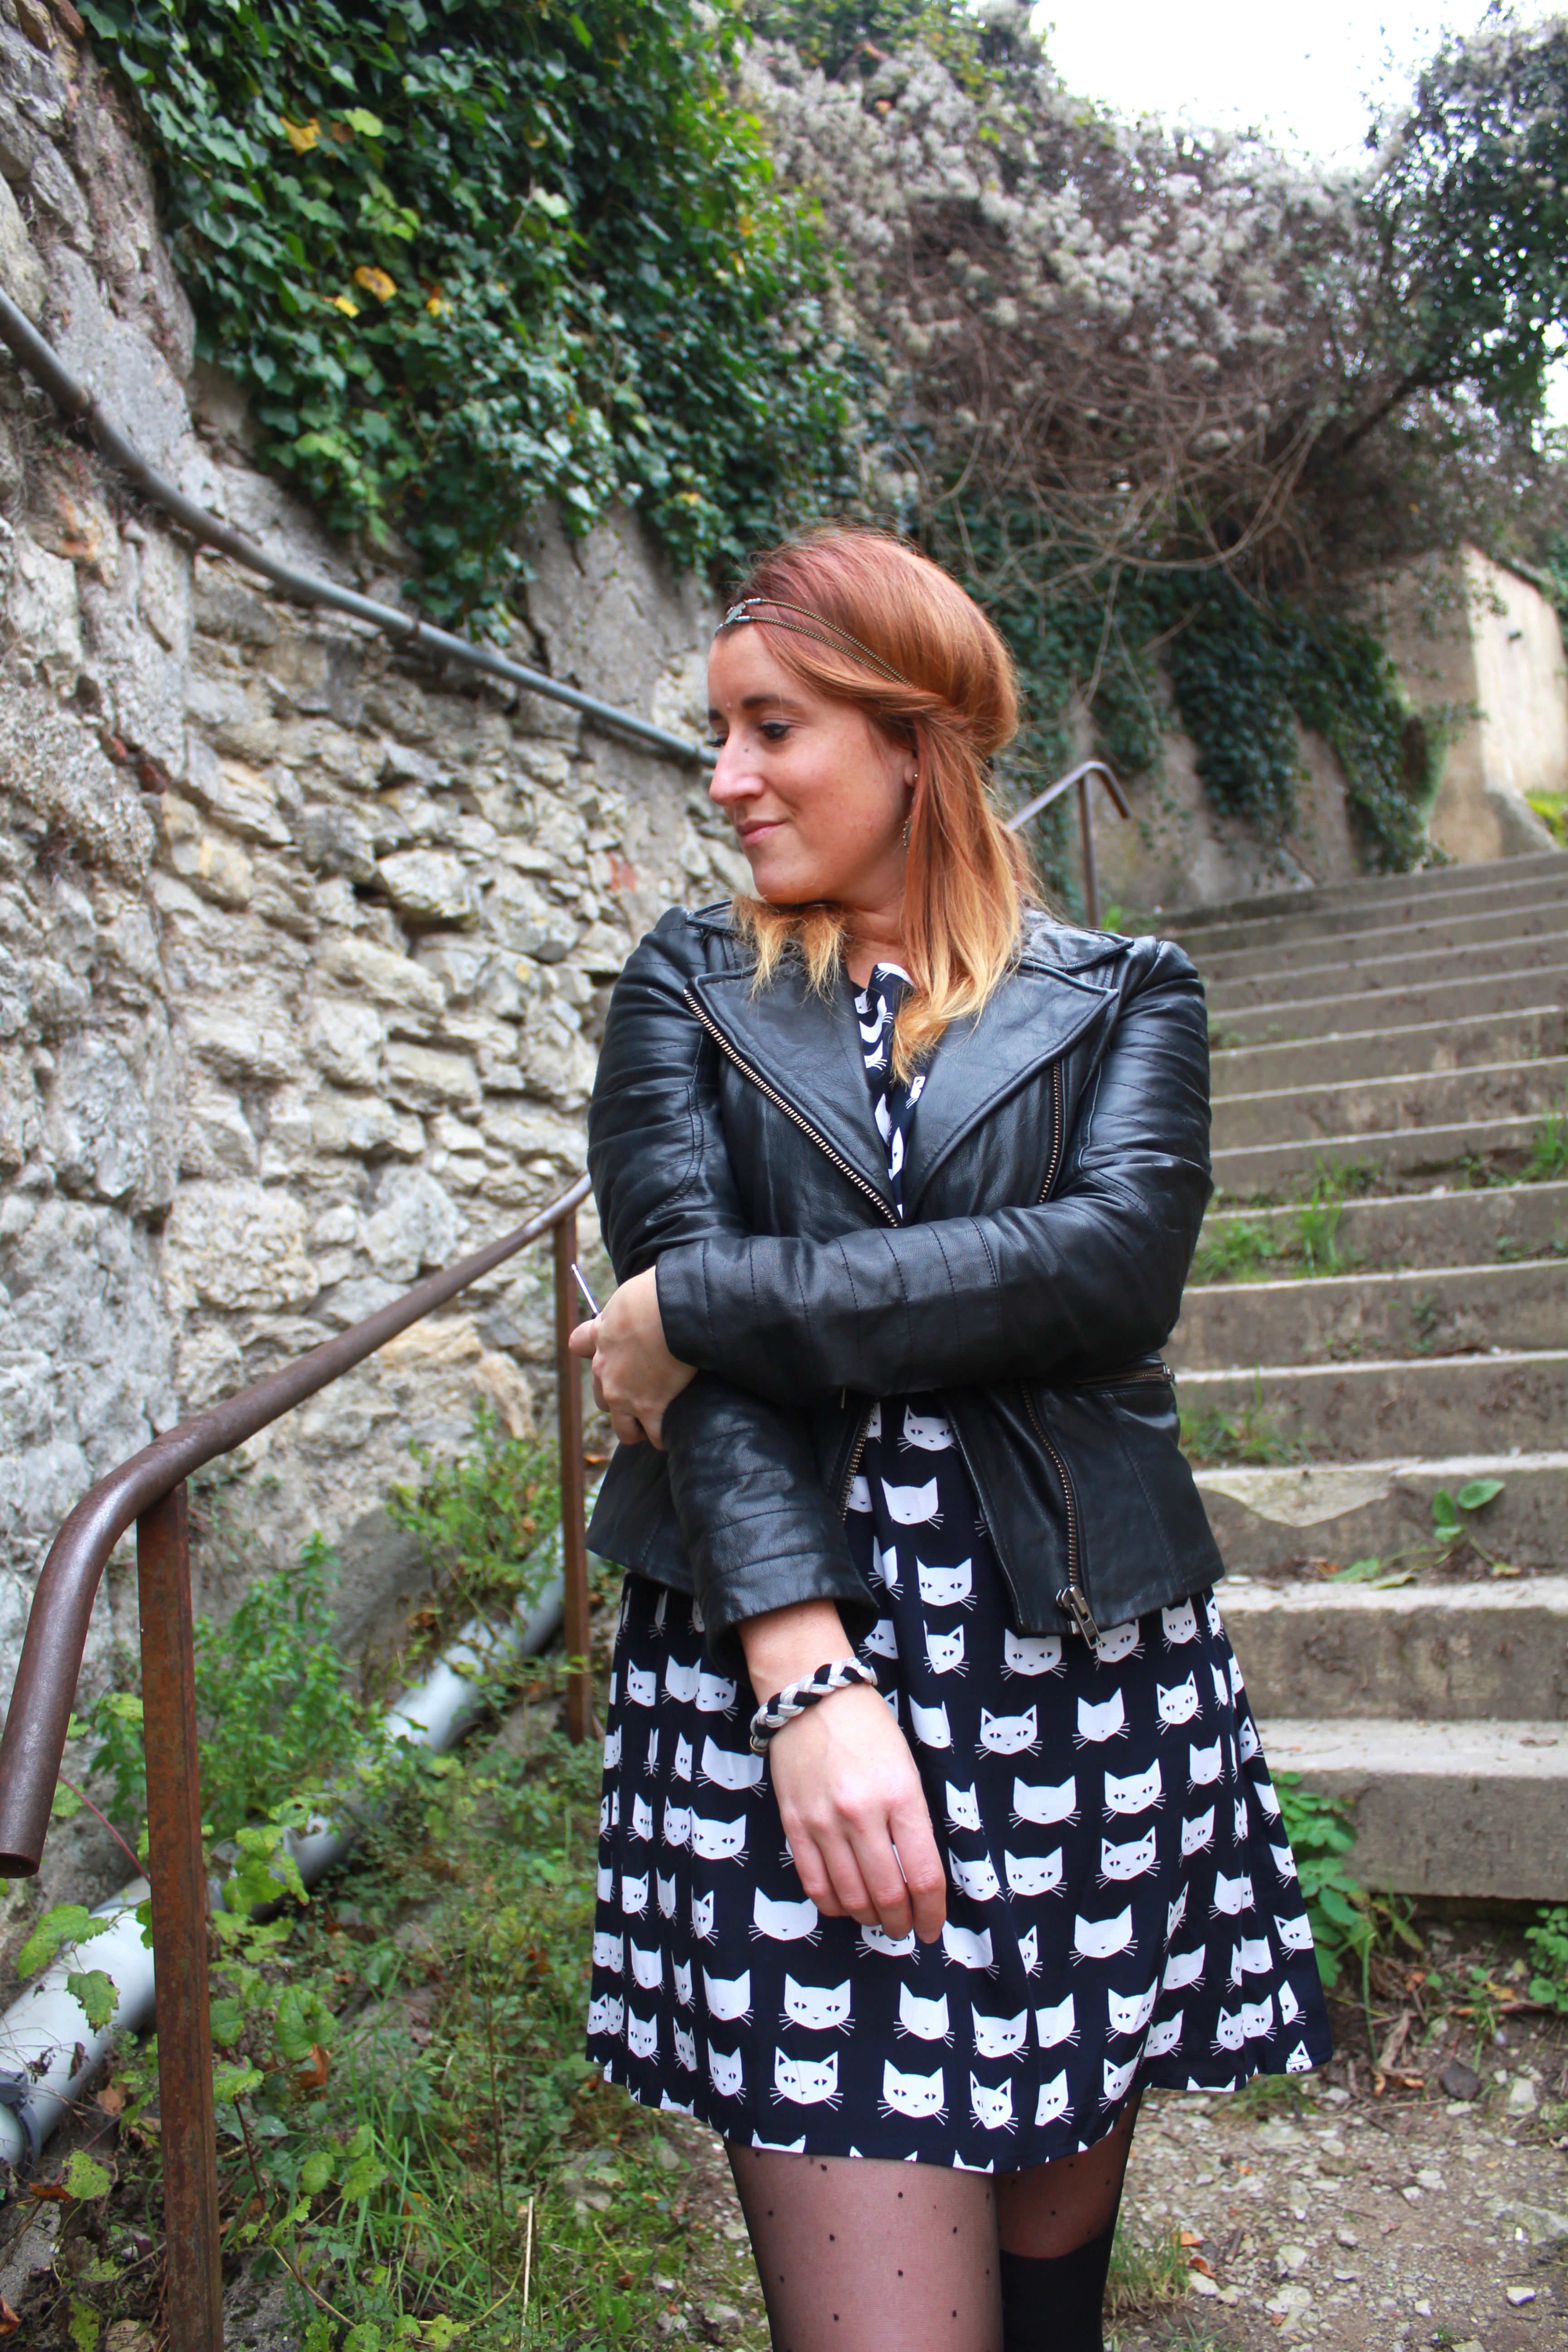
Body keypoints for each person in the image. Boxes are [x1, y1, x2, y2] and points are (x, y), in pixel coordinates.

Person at [568, 527, 1331, 2352]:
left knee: (1050, 2316)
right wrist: (805, 1679)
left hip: (1078, 1689)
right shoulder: (690, 986)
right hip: (780, 1681)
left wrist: (703, 1301)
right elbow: (709, 1392)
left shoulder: (1124, 993)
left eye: (773, 728)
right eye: (722, 732)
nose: (725, 777)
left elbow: (1107, 1273)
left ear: (916, 741)